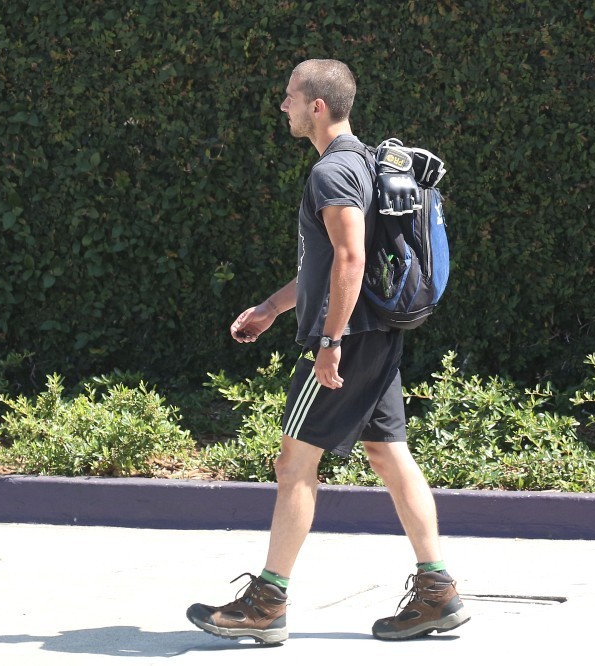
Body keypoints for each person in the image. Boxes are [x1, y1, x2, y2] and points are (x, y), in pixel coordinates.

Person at [185, 59, 471, 644]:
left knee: (294, 463)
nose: (282, 106)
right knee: (388, 455)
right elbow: (328, 264)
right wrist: (271, 307)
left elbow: (350, 259)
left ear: (317, 105)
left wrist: (330, 341)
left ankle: (267, 604)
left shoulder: (332, 172)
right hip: (375, 335)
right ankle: (437, 592)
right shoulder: (364, 161)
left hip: (350, 340)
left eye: (290, 96)